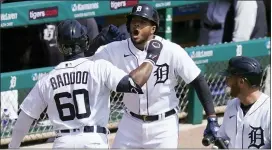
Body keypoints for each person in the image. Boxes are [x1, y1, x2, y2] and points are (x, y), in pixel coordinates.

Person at [8, 19, 164, 149]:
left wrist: (13, 147)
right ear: (84, 41)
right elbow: (134, 84)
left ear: (60, 46)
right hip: (93, 141)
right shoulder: (99, 67)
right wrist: (151, 57)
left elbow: (25, 118)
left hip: (63, 143)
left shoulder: (47, 79)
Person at [88, 4, 219, 148]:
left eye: (143, 22)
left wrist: (212, 117)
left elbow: (197, 80)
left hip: (164, 125)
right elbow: (84, 64)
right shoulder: (116, 49)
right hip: (130, 124)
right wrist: (97, 43)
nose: (136, 24)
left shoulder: (171, 50)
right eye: (134, 21)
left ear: (153, 28)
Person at [216, 56, 270, 148]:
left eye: (229, 78)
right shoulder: (231, 106)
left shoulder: (268, 111)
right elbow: (223, 137)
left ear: (241, 82)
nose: (226, 82)